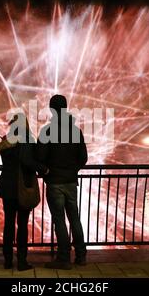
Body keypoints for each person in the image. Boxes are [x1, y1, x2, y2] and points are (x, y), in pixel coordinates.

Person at [37, 95, 88, 270]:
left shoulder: (47, 131)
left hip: (54, 182)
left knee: (59, 220)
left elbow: (40, 158)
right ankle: (81, 256)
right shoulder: (76, 131)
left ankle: (63, 258)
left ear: (52, 110)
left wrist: (45, 171)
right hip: (71, 181)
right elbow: (83, 158)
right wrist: (73, 170)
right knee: (74, 218)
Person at [0, 113, 48, 271]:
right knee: (22, 225)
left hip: (7, 187)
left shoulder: (6, 143)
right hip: (22, 187)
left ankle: (8, 260)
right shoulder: (28, 141)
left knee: (8, 224)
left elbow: (8, 163)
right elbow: (27, 161)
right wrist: (43, 168)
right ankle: (22, 261)